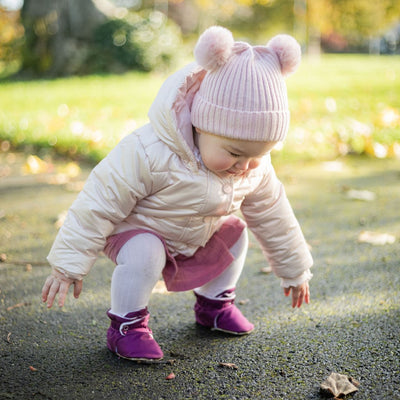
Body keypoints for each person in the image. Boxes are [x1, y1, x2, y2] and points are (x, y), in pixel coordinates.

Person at [42, 26, 313, 362]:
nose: (244, 166)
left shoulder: (254, 168)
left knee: (235, 232)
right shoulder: (150, 151)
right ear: (200, 123)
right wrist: (68, 265)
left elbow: (275, 215)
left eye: (257, 154)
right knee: (146, 251)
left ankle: (215, 304)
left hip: (192, 235)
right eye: (233, 152)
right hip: (135, 232)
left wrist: (295, 269)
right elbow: (99, 200)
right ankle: (127, 325)